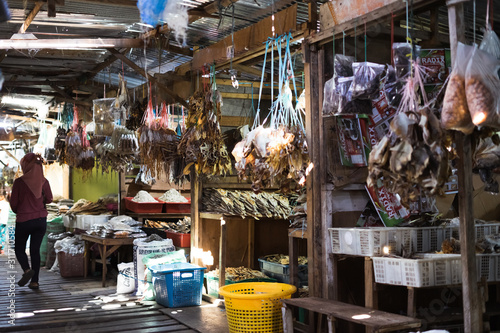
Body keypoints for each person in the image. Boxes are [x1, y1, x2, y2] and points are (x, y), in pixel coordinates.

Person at [10, 153, 53, 290]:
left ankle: (27, 270)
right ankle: (34, 282)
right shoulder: (44, 182)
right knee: (35, 250)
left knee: (19, 249)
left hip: (24, 221)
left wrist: (22, 210)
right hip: (40, 220)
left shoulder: (19, 182)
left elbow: (14, 204)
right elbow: (50, 199)